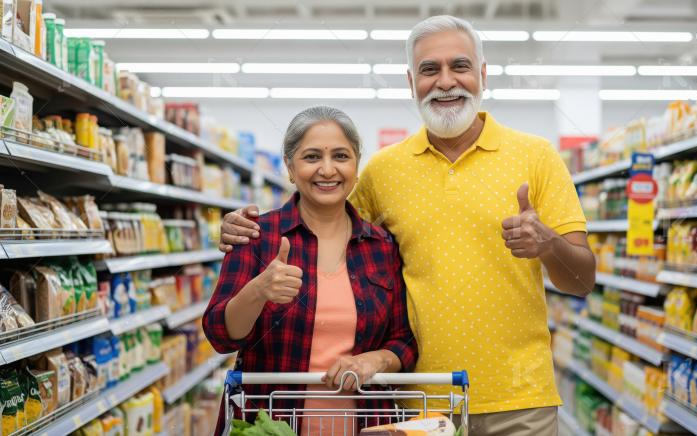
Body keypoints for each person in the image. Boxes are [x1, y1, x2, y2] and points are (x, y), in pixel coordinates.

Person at [219, 16, 595, 436]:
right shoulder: (383, 171)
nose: (445, 81)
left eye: (460, 66)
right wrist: (246, 231)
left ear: (483, 74)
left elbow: (581, 281)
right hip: (417, 401)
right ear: (411, 81)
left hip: (520, 401)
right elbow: (322, 219)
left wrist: (548, 244)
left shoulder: (537, 157)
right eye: (429, 69)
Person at [203, 106, 417, 436]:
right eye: (312, 156)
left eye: (341, 156)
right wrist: (258, 291)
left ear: (356, 165)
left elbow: (403, 339)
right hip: (271, 424)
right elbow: (220, 335)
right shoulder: (257, 236)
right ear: (290, 168)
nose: (327, 170)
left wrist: (373, 361)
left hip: (365, 425)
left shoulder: (381, 246)